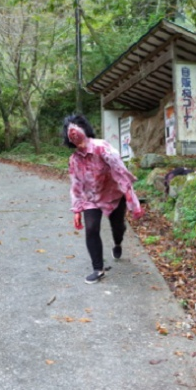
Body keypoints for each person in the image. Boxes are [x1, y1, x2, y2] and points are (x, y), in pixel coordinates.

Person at [63, 114, 144, 284]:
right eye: (69, 131)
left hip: (114, 194)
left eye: (76, 127)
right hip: (91, 198)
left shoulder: (103, 148)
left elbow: (121, 173)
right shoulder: (74, 160)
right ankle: (98, 269)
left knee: (118, 227)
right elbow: (76, 185)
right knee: (91, 228)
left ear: (84, 129)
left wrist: (132, 201)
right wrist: (77, 209)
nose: (73, 132)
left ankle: (118, 242)